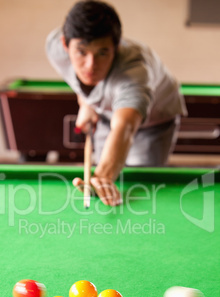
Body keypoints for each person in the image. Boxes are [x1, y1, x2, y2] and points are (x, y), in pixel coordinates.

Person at [46, 0, 186, 206]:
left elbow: (125, 128)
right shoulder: (55, 49)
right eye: (82, 52)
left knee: (139, 182)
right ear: (65, 45)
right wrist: (86, 103)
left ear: (116, 47)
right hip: (107, 115)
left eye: (103, 52)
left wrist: (103, 176)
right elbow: (78, 82)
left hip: (154, 122)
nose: (90, 65)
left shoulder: (134, 71)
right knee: (104, 168)